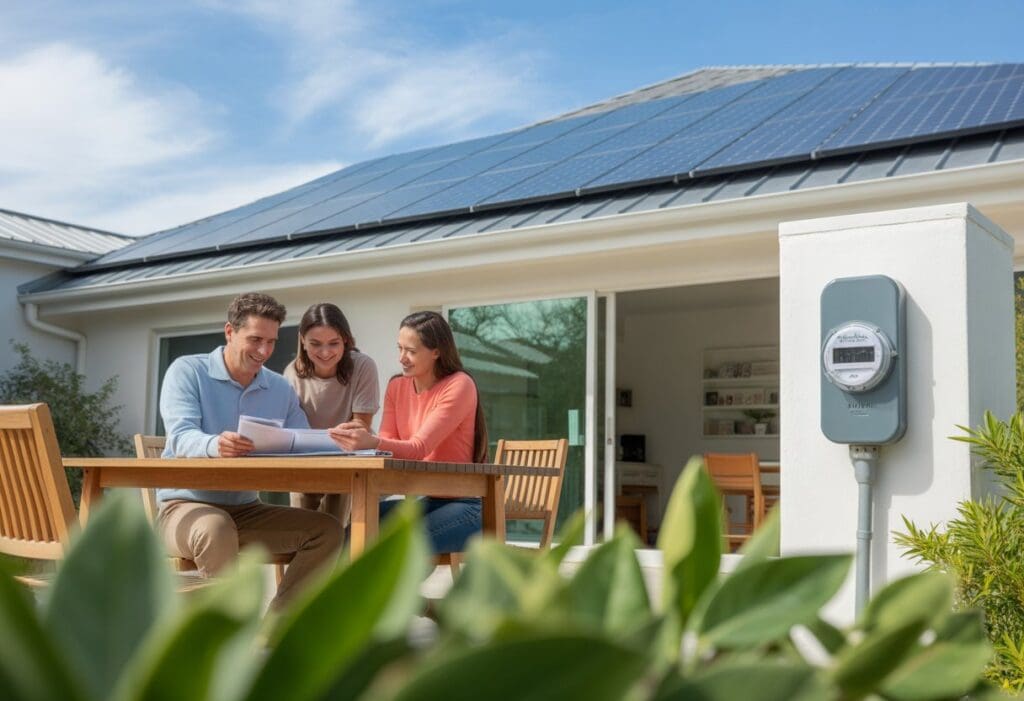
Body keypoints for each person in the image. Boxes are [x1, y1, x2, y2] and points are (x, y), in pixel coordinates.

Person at [157, 292, 343, 609]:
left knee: (326, 530)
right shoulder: (187, 371)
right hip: (183, 507)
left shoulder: (279, 387)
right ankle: (222, 637)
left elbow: (302, 440)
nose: (264, 351)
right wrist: (214, 444)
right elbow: (181, 436)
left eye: (271, 342)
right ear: (230, 331)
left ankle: (279, 625)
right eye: (255, 339)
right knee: (216, 528)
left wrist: (337, 440)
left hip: (245, 509)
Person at [328, 311, 488, 554]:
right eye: (399, 348)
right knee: (353, 533)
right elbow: (388, 446)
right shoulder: (397, 386)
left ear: (437, 351)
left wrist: (371, 441)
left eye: (411, 351)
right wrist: (364, 438)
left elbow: (418, 448)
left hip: (466, 506)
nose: (402, 358)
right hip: (425, 502)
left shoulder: (459, 384)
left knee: (401, 550)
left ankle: (385, 593)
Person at [284, 303, 380, 526]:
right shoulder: (291, 374)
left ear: (345, 339)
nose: (325, 353)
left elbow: (361, 426)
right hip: (306, 461)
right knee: (301, 528)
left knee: (334, 526)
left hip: (347, 459)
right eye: (315, 344)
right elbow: (291, 430)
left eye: (333, 343)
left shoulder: (363, 366)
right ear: (302, 341)